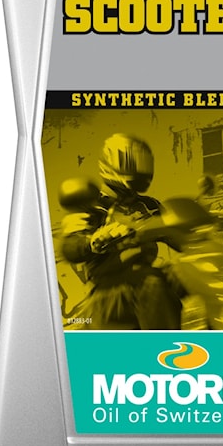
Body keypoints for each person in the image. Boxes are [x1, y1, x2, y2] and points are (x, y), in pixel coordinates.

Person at [59, 134, 182, 330]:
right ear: (111, 163)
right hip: (110, 294)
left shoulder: (150, 206)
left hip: (145, 284)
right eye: (133, 162)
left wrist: (200, 229)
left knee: (184, 272)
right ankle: (163, 346)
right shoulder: (91, 205)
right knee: (152, 281)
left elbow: (179, 235)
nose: (140, 169)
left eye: (144, 163)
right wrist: (93, 242)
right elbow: (71, 246)